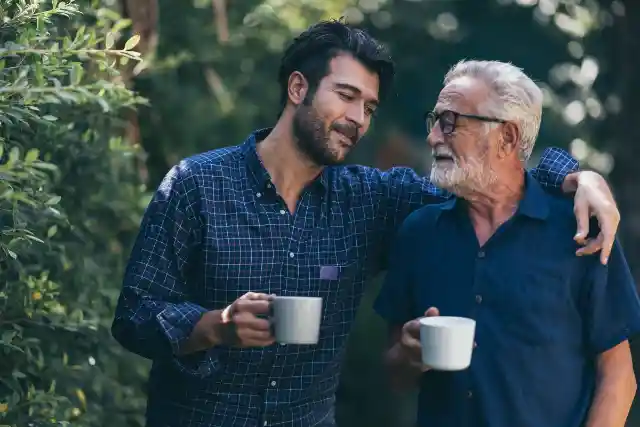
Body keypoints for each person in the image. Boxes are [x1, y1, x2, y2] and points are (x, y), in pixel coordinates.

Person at [111, 20, 621, 427]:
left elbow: (489, 182)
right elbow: (134, 314)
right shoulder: (199, 184)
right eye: (347, 95)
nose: (359, 117)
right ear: (297, 87)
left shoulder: (371, 201)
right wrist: (215, 327)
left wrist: (577, 176)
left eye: (370, 106)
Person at [374, 60, 640, 427]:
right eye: (434, 121)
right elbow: (395, 377)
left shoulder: (580, 230)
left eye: (451, 122)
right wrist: (408, 353)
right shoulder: (420, 232)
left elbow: (618, 377)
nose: (434, 137)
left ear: (508, 138)